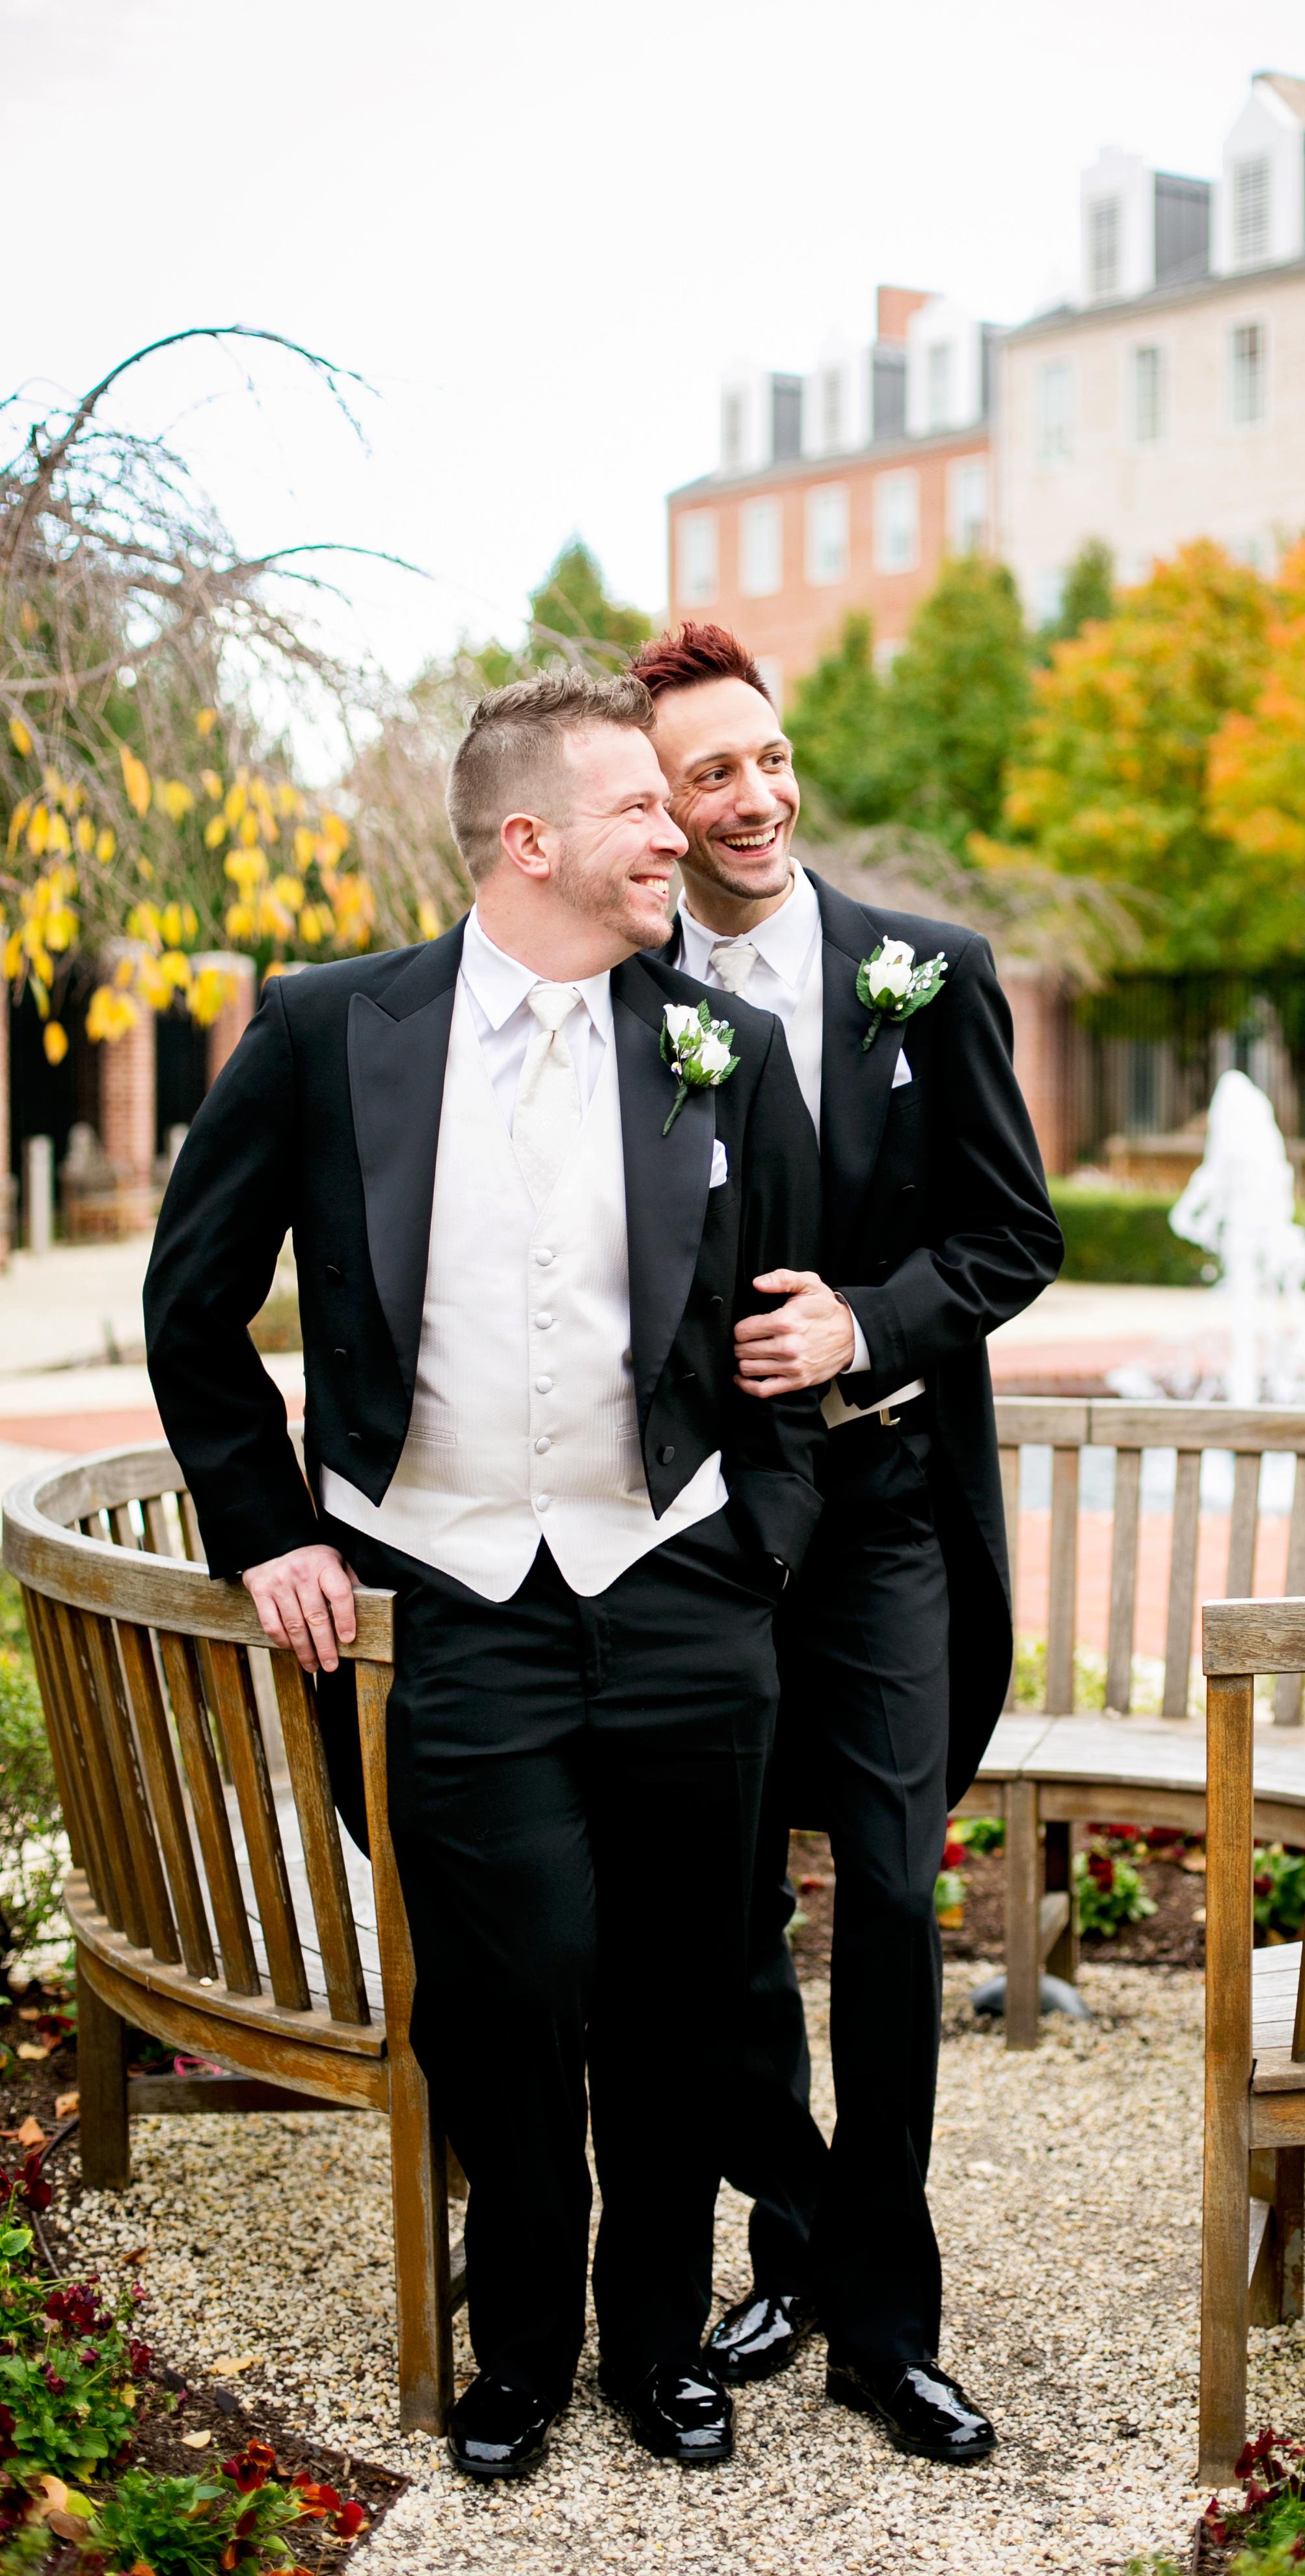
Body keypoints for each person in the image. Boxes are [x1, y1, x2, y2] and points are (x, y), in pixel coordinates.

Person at [144, 665, 826, 2480]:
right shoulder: (321, 1032)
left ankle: (659, 2346)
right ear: (529, 838)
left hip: (680, 1589)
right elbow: (191, 1305)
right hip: (453, 1595)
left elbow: (780, 1326)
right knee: (508, 1993)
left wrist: (758, 1547)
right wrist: (272, 1524)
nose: (678, 828)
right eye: (638, 809)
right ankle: (518, 2341)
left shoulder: (725, 1051)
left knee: (685, 1992)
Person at [632, 623, 1063, 2466]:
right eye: (707, 776)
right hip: (704, 1534)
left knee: (889, 1899)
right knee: (720, 1916)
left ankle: (888, 2325)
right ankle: (796, 2234)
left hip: (884, 1511)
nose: (754, 798)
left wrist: (864, 1326)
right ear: (650, 810)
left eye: (771, 758)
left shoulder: (929, 973)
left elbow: (1012, 1238)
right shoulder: (613, 993)